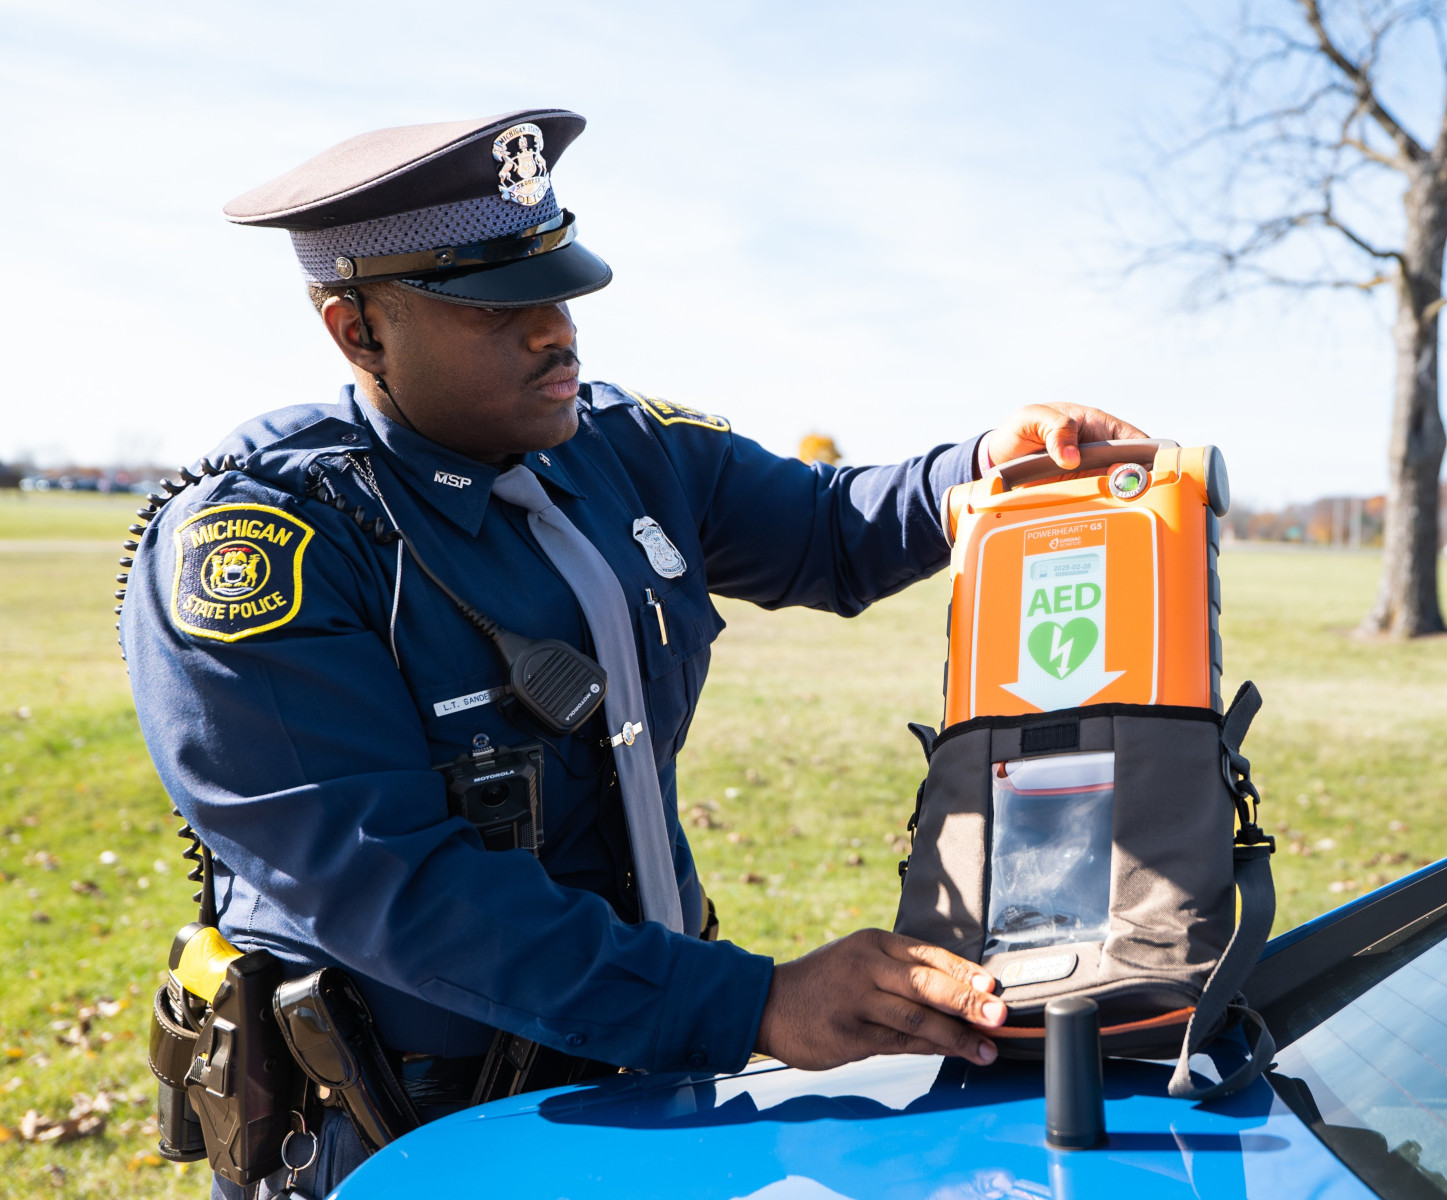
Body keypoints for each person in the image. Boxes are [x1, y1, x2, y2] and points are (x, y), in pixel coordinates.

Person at [118, 108, 1146, 1197]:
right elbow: (392, 887)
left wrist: (983, 467)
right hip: (400, 1132)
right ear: (356, 331)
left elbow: (829, 532)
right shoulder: (271, 544)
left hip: (647, 1071)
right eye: (496, 308)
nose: (555, 331)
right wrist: (752, 1005)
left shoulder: (621, 450)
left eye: (559, 288)